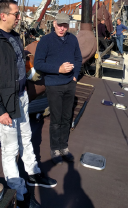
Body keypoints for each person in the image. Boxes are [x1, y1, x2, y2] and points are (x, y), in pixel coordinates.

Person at [0, 0, 57, 208]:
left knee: (27, 138)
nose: (19, 17)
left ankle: (33, 174)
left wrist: (32, 74)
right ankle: (20, 194)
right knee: (10, 149)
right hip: (5, 104)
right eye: (16, 14)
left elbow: (18, 65)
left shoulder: (13, 37)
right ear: (3, 15)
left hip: (20, 97)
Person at [34, 12, 82, 164]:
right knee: (56, 119)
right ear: (54, 23)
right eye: (59, 25)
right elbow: (38, 64)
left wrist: (75, 76)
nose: (62, 28)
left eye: (65, 25)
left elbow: (78, 58)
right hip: (54, 85)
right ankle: (55, 149)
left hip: (70, 84)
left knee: (67, 117)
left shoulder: (72, 39)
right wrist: (58, 69)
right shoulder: (45, 41)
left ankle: (64, 147)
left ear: (69, 25)